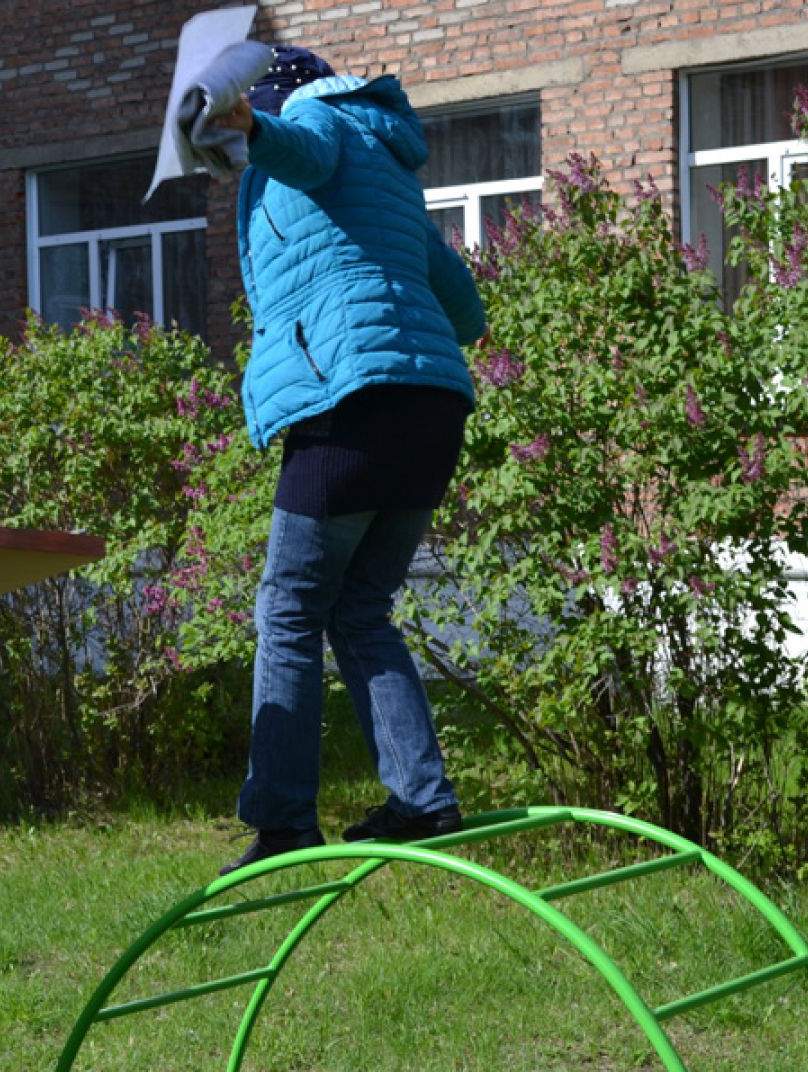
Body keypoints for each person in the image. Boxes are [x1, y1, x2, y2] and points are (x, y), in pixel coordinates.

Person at [213, 48, 487, 875]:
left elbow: (304, 151)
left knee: (290, 609)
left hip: (351, 404)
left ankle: (284, 820)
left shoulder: (315, 119)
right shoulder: (393, 169)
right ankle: (422, 800)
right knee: (361, 610)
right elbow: (461, 302)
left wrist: (256, 127)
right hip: (433, 407)